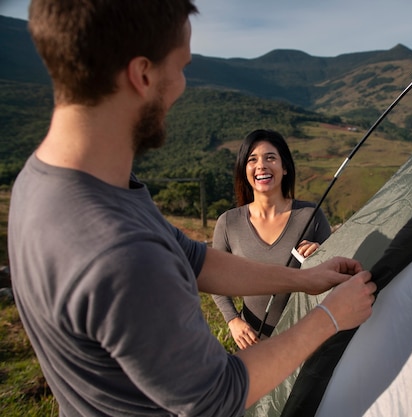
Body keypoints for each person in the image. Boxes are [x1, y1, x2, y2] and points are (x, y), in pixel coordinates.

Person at [7, 1, 376, 416]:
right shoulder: (122, 255)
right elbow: (216, 397)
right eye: (180, 66)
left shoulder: (42, 182)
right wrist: (330, 316)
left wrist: (309, 281)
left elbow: (196, 259)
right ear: (142, 75)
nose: (183, 85)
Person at [212, 129, 332, 349]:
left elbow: (336, 271)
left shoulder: (310, 215)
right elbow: (214, 278)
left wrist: (320, 253)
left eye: (270, 158)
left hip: (308, 342)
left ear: (284, 167)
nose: (261, 166)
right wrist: (233, 320)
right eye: (252, 159)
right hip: (255, 347)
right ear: (244, 169)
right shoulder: (229, 222)